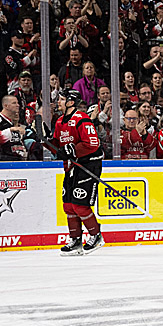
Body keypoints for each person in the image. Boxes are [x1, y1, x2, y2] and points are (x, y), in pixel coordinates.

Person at [53, 88, 104, 255]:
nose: (58, 102)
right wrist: (46, 140)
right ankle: (75, 240)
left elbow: (92, 143)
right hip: (71, 167)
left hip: (88, 165)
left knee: (80, 205)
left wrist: (72, 149)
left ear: (70, 102)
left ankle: (96, 235)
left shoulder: (82, 119)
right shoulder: (59, 122)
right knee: (68, 205)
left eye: (61, 99)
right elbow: (59, 148)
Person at [0, 95, 28, 160]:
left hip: (17, 160)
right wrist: (11, 130)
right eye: (14, 103)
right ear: (6, 106)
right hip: (2, 162)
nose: (18, 105)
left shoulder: (11, 122)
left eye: (17, 103)